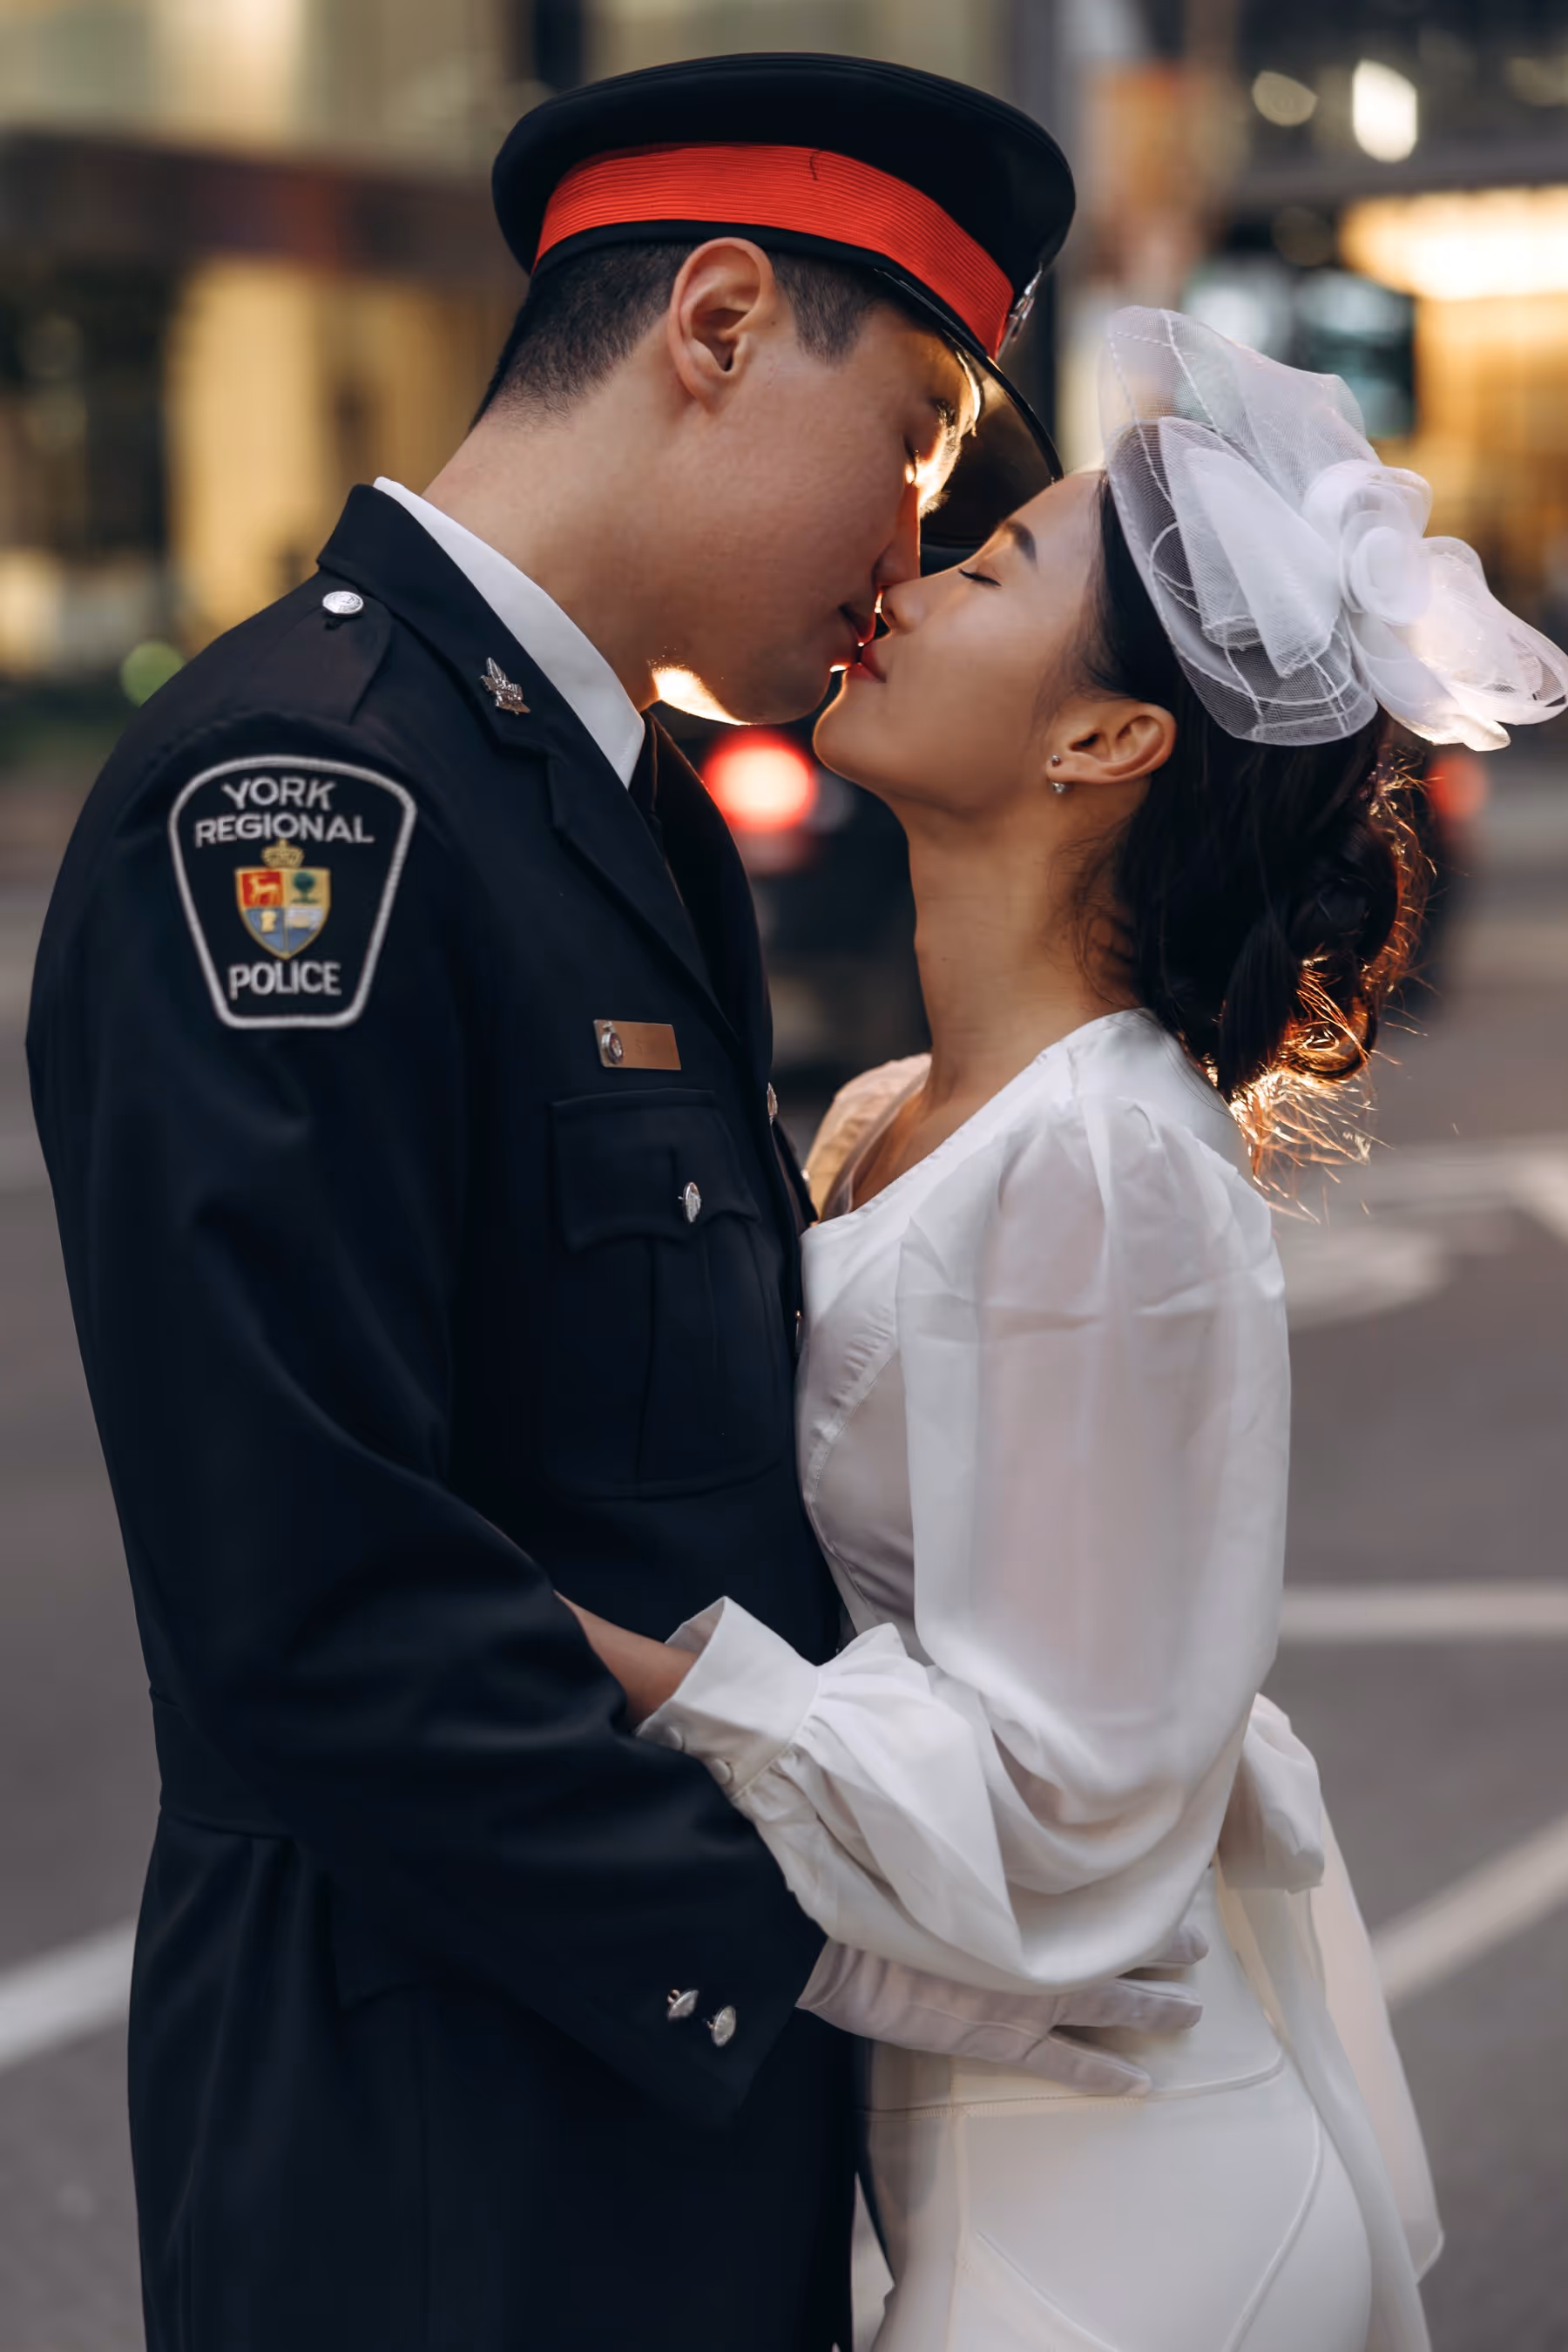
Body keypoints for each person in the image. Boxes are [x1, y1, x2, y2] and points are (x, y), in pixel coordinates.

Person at [26, 58, 1210, 2352]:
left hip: (652, 2131)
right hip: (436, 2165)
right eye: (925, 443)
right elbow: (314, 1586)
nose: (913, 538)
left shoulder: (612, 803)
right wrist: (823, 1945)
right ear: (722, 324)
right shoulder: (311, 796)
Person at [564, 308, 1568, 2351]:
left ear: (1107, 744)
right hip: (1000, 2155)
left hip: (1122, 2211)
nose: (908, 584)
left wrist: (614, 1667)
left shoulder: (1106, 1167)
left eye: (995, 564)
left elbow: (1071, 1798)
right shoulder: (891, 1120)